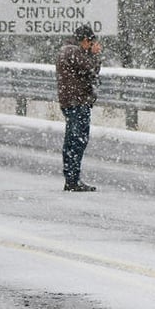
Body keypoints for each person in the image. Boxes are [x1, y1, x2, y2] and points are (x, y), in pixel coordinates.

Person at [56, 24, 102, 192]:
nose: (91, 46)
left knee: (72, 141)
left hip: (72, 101)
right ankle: (72, 180)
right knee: (77, 141)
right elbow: (91, 70)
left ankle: (71, 178)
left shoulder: (67, 51)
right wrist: (95, 55)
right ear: (84, 40)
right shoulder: (73, 52)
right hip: (77, 102)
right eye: (90, 43)